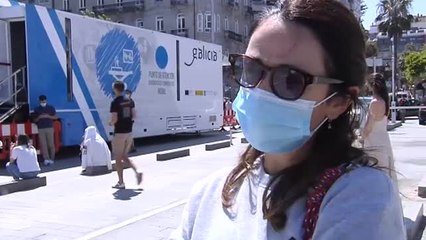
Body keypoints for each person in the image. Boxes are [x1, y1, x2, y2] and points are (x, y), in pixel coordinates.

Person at [170, 0, 405, 239]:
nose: (260, 91)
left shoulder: (360, 196)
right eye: (252, 69)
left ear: (339, 102)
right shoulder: (209, 195)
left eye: (290, 80)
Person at [361, 73, 397, 182]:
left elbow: (369, 127)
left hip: (373, 141)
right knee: (384, 170)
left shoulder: (375, 103)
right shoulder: (385, 101)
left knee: (375, 170)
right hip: (382, 139)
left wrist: (361, 137)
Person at [110, 81, 142, 189]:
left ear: (115, 89)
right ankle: (137, 171)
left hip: (119, 132)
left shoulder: (115, 102)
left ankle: (121, 182)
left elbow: (114, 119)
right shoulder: (130, 101)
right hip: (129, 132)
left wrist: (111, 123)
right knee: (124, 156)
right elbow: (134, 115)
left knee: (118, 158)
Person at [33, 95, 57, 166]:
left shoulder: (51, 108)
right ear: (39, 101)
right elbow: (35, 120)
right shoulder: (37, 109)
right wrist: (39, 117)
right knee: (43, 144)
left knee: (51, 144)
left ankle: (52, 158)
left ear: (46, 100)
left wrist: (48, 116)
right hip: (41, 128)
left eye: (44, 101)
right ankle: (46, 159)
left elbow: (55, 117)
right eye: (41, 101)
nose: (43, 102)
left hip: (49, 127)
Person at [125, 89, 137, 153]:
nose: (126, 94)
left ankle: (131, 147)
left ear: (130, 94)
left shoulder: (130, 101)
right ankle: (132, 147)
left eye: (127, 93)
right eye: (126, 93)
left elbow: (131, 111)